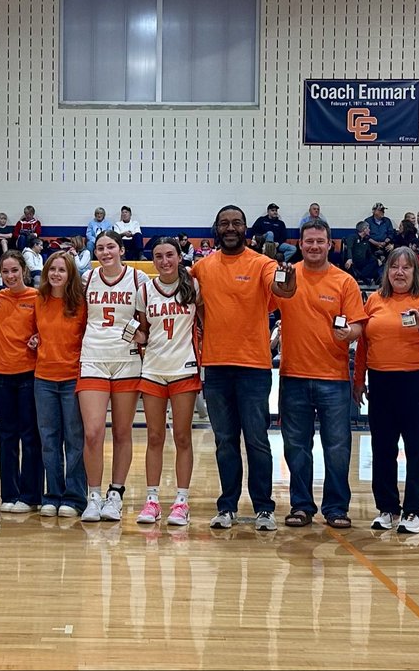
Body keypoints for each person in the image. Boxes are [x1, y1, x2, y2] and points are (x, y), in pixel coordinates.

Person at [190, 205, 296, 531]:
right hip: (217, 366)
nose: (230, 228)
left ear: (246, 228)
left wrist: (287, 279)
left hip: (253, 366)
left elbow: (283, 290)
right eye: (224, 223)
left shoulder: (262, 263)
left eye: (236, 223)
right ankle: (227, 506)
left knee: (256, 440)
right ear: (216, 229)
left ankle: (264, 507)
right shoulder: (201, 268)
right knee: (224, 440)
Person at [353, 247, 419, 534]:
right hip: (381, 381)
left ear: (416, 272)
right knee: (382, 448)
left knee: (418, 448)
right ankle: (386, 508)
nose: (399, 272)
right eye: (394, 267)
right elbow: (363, 343)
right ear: (386, 271)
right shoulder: (374, 300)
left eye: (406, 267)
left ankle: (414, 512)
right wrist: (358, 379)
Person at [277, 220, 366, 529]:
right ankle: (301, 506)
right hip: (293, 376)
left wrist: (349, 334)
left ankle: (336, 507)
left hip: (334, 378)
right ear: (300, 244)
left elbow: (358, 325)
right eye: (309, 241)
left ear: (331, 245)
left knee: (338, 448)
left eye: (320, 241)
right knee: (296, 447)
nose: (314, 246)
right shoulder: (287, 277)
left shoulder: (345, 282)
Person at [77, 231, 150, 523]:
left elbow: (146, 325)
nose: (106, 252)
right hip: (93, 357)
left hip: (126, 360)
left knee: (122, 432)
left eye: (111, 247)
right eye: (100, 248)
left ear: (121, 249)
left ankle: (115, 494)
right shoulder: (87, 279)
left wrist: (139, 334)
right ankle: (93, 496)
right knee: (93, 432)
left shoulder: (138, 280)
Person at [132, 237, 201, 527]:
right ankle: (152, 500)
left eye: (169, 255)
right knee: (154, 437)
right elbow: (143, 330)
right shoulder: (145, 291)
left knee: (182, 437)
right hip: (153, 371)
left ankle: (181, 502)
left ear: (179, 256)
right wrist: (137, 337)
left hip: (184, 369)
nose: (164, 261)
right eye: (158, 256)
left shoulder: (194, 287)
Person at [29, 252, 87, 518]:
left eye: (62, 270)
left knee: (74, 440)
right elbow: (35, 333)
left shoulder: (81, 303)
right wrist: (33, 340)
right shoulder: (39, 301)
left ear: (70, 274)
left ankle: (74, 497)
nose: (56, 274)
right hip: (43, 378)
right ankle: (52, 494)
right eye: (52, 269)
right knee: (49, 440)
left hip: (72, 378)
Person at [0, 251, 41, 514]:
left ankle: (31, 494)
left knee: (30, 436)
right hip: (1, 375)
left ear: (23, 269)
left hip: (29, 375)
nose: (10, 276)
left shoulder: (36, 298)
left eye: (14, 270)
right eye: (6, 271)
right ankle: (9, 494)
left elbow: (45, 329)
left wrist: (38, 337)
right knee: (6, 437)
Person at [344, 221, 380, 285]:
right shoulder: (352, 237)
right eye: (368, 228)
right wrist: (349, 258)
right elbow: (349, 248)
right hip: (353, 261)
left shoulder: (366, 240)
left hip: (363, 261)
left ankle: (361, 276)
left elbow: (369, 253)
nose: (369, 230)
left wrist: (377, 260)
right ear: (364, 229)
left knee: (375, 262)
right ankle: (365, 278)